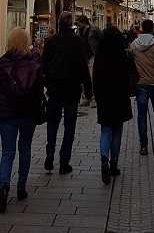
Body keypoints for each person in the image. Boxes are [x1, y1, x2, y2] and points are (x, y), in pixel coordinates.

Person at [0, 27, 44, 212]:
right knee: (25, 149)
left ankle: (4, 187)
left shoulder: (3, 61)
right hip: (28, 113)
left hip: (7, 112)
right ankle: (21, 187)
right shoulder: (34, 62)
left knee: (7, 152)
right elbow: (39, 88)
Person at [41, 11, 92, 174]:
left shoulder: (51, 41)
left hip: (55, 89)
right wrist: (88, 89)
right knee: (69, 126)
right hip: (72, 89)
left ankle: (50, 153)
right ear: (71, 25)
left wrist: (46, 84)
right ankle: (64, 162)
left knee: (52, 123)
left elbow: (44, 65)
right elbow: (83, 66)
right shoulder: (77, 42)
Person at [93, 26, 136, 184]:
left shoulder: (100, 55)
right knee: (117, 131)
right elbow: (129, 75)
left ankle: (104, 158)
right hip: (119, 96)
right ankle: (114, 165)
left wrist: (95, 96)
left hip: (104, 97)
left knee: (105, 130)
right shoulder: (122, 54)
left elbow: (95, 77)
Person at [130, 18, 154, 155]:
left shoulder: (134, 45)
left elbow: (130, 62)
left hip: (140, 84)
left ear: (141, 29)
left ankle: (143, 145)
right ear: (153, 29)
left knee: (141, 115)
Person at [76, 15, 101, 108]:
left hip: (92, 56)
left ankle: (94, 98)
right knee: (84, 79)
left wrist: (99, 53)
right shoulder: (78, 31)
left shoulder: (94, 30)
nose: (77, 25)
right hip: (83, 58)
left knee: (92, 78)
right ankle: (86, 97)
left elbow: (101, 40)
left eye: (78, 23)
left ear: (83, 22)